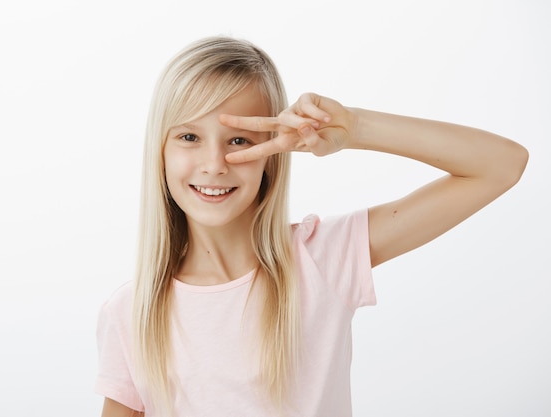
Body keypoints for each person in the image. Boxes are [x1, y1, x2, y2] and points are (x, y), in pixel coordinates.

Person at [94, 36, 528, 417]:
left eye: (240, 140)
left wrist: (355, 128)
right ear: (161, 150)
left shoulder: (321, 260)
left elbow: (501, 165)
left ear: (271, 154)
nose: (214, 164)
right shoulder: (131, 311)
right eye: (189, 137)